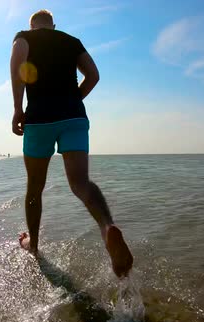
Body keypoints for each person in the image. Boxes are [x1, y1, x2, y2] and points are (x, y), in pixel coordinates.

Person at [10, 9, 133, 278]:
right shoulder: (72, 41)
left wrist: (18, 109)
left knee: (35, 188)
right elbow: (94, 75)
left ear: (31, 26)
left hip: (39, 119)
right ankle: (107, 227)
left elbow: (18, 70)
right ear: (54, 25)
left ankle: (33, 246)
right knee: (81, 183)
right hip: (74, 118)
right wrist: (73, 101)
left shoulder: (23, 38)